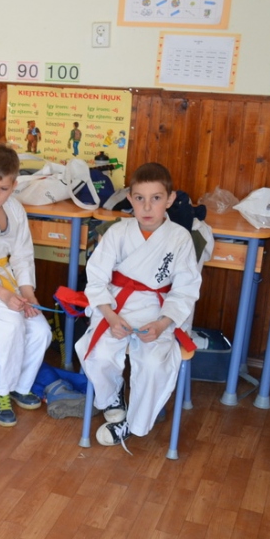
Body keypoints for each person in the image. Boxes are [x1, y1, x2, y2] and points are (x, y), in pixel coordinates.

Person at [74, 162, 201, 449]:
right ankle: (113, 397)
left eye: (156, 198)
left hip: (158, 310)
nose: (147, 207)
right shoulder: (118, 232)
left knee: (154, 364)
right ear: (129, 198)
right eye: (140, 198)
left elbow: (185, 290)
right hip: (117, 305)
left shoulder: (179, 238)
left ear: (169, 199)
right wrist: (110, 316)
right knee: (99, 354)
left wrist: (162, 324)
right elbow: (96, 279)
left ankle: (134, 423)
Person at [0, 143, 52, 427]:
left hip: (6, 279)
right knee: (12, 324)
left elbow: (23, 255)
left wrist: (28, 292)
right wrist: (4, 295)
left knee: (40, 330)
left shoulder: (15, 209)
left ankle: (19, 385)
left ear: (14, 186)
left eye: (3, 189)